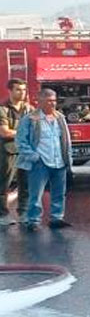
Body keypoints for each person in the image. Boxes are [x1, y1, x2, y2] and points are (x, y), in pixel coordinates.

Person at [15, 88, 72, 230]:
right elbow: (21, 141)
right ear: (39, 101)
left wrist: (68, 158)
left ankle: (56, 218)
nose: (52, 104)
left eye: (54, 100)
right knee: (36, 194)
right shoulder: (30, 119)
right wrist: (34, 157)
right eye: (49, 101)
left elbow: (66, 140)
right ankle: (33, 221)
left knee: (59, 193)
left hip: (59, 161)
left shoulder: (60, 118)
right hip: (40, 163)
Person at [1, 79, 31, 224]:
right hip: (8, 152)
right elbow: (5, 132)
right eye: (18, 89)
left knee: (25, 184)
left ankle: (24, 213)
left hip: (25, 152)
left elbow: (37, 128)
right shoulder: (2, 108)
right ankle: (2, 215)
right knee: (4, 184)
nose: (22, 92)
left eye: (24, 89)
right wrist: (25, 131)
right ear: (10, 91)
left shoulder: (29, 109)